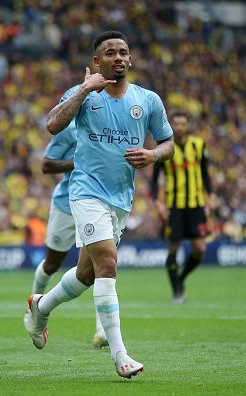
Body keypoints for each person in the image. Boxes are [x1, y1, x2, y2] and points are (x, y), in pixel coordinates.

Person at [26, 31, 174, 379]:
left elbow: (169, 142)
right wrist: (83, 89)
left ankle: (41, 307)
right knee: (108, 262)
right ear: (97, 62)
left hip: (121, 199)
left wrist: (153, 154)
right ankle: (120, 355)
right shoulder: (84, 95)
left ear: (130, 59)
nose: (118, 57)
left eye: (124, 52)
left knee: (87, 274)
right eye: (110, 53)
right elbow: (52, 124)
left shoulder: (147, 100)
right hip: (85, 192)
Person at [22, 121, 108, 349]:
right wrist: (79, 163)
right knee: (52, 264)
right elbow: (47, 165)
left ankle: (102, 331)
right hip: (66, 204)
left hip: (97, 205)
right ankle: (35, 310)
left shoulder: (109, 129)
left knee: (100, 265)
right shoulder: (70, 130)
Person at [150, 110, 215, 304]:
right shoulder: (164, 148)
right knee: (173, 247)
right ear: (171, 125)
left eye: (182, 124)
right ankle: (177, 291)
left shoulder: (198, 144)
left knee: (200, 248)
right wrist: (158, 202)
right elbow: (154, 180)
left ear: (187, 125)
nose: (179, 127)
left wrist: (210, 196)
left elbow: (204, 174)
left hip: (196, 204)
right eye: (175, 124)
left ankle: (180, 279)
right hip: (174, 206)